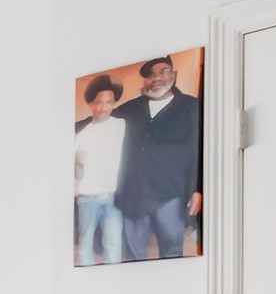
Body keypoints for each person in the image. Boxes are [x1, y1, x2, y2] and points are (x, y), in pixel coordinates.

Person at [113, 56, 202, 260]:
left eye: (163, 71)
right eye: (150, 75)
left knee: (172, 253)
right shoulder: (132, 107)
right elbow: (102, 119)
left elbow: (197, 149)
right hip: (134, 192)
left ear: (174, 74)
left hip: (171, 193)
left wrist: (197, 188)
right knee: (133, 257)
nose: (156, 78)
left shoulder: (191, 106)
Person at [73, 75, 126, 264]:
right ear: (90, 103)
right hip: (87, 198)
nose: (103, 107)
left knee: (114, 245)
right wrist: (75, 161)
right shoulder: (80, 133)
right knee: (84, 243)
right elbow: (74, 172)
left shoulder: (122, 125)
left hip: (114, 198)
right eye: (98, 102)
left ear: (114, 103)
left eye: (108, 102)